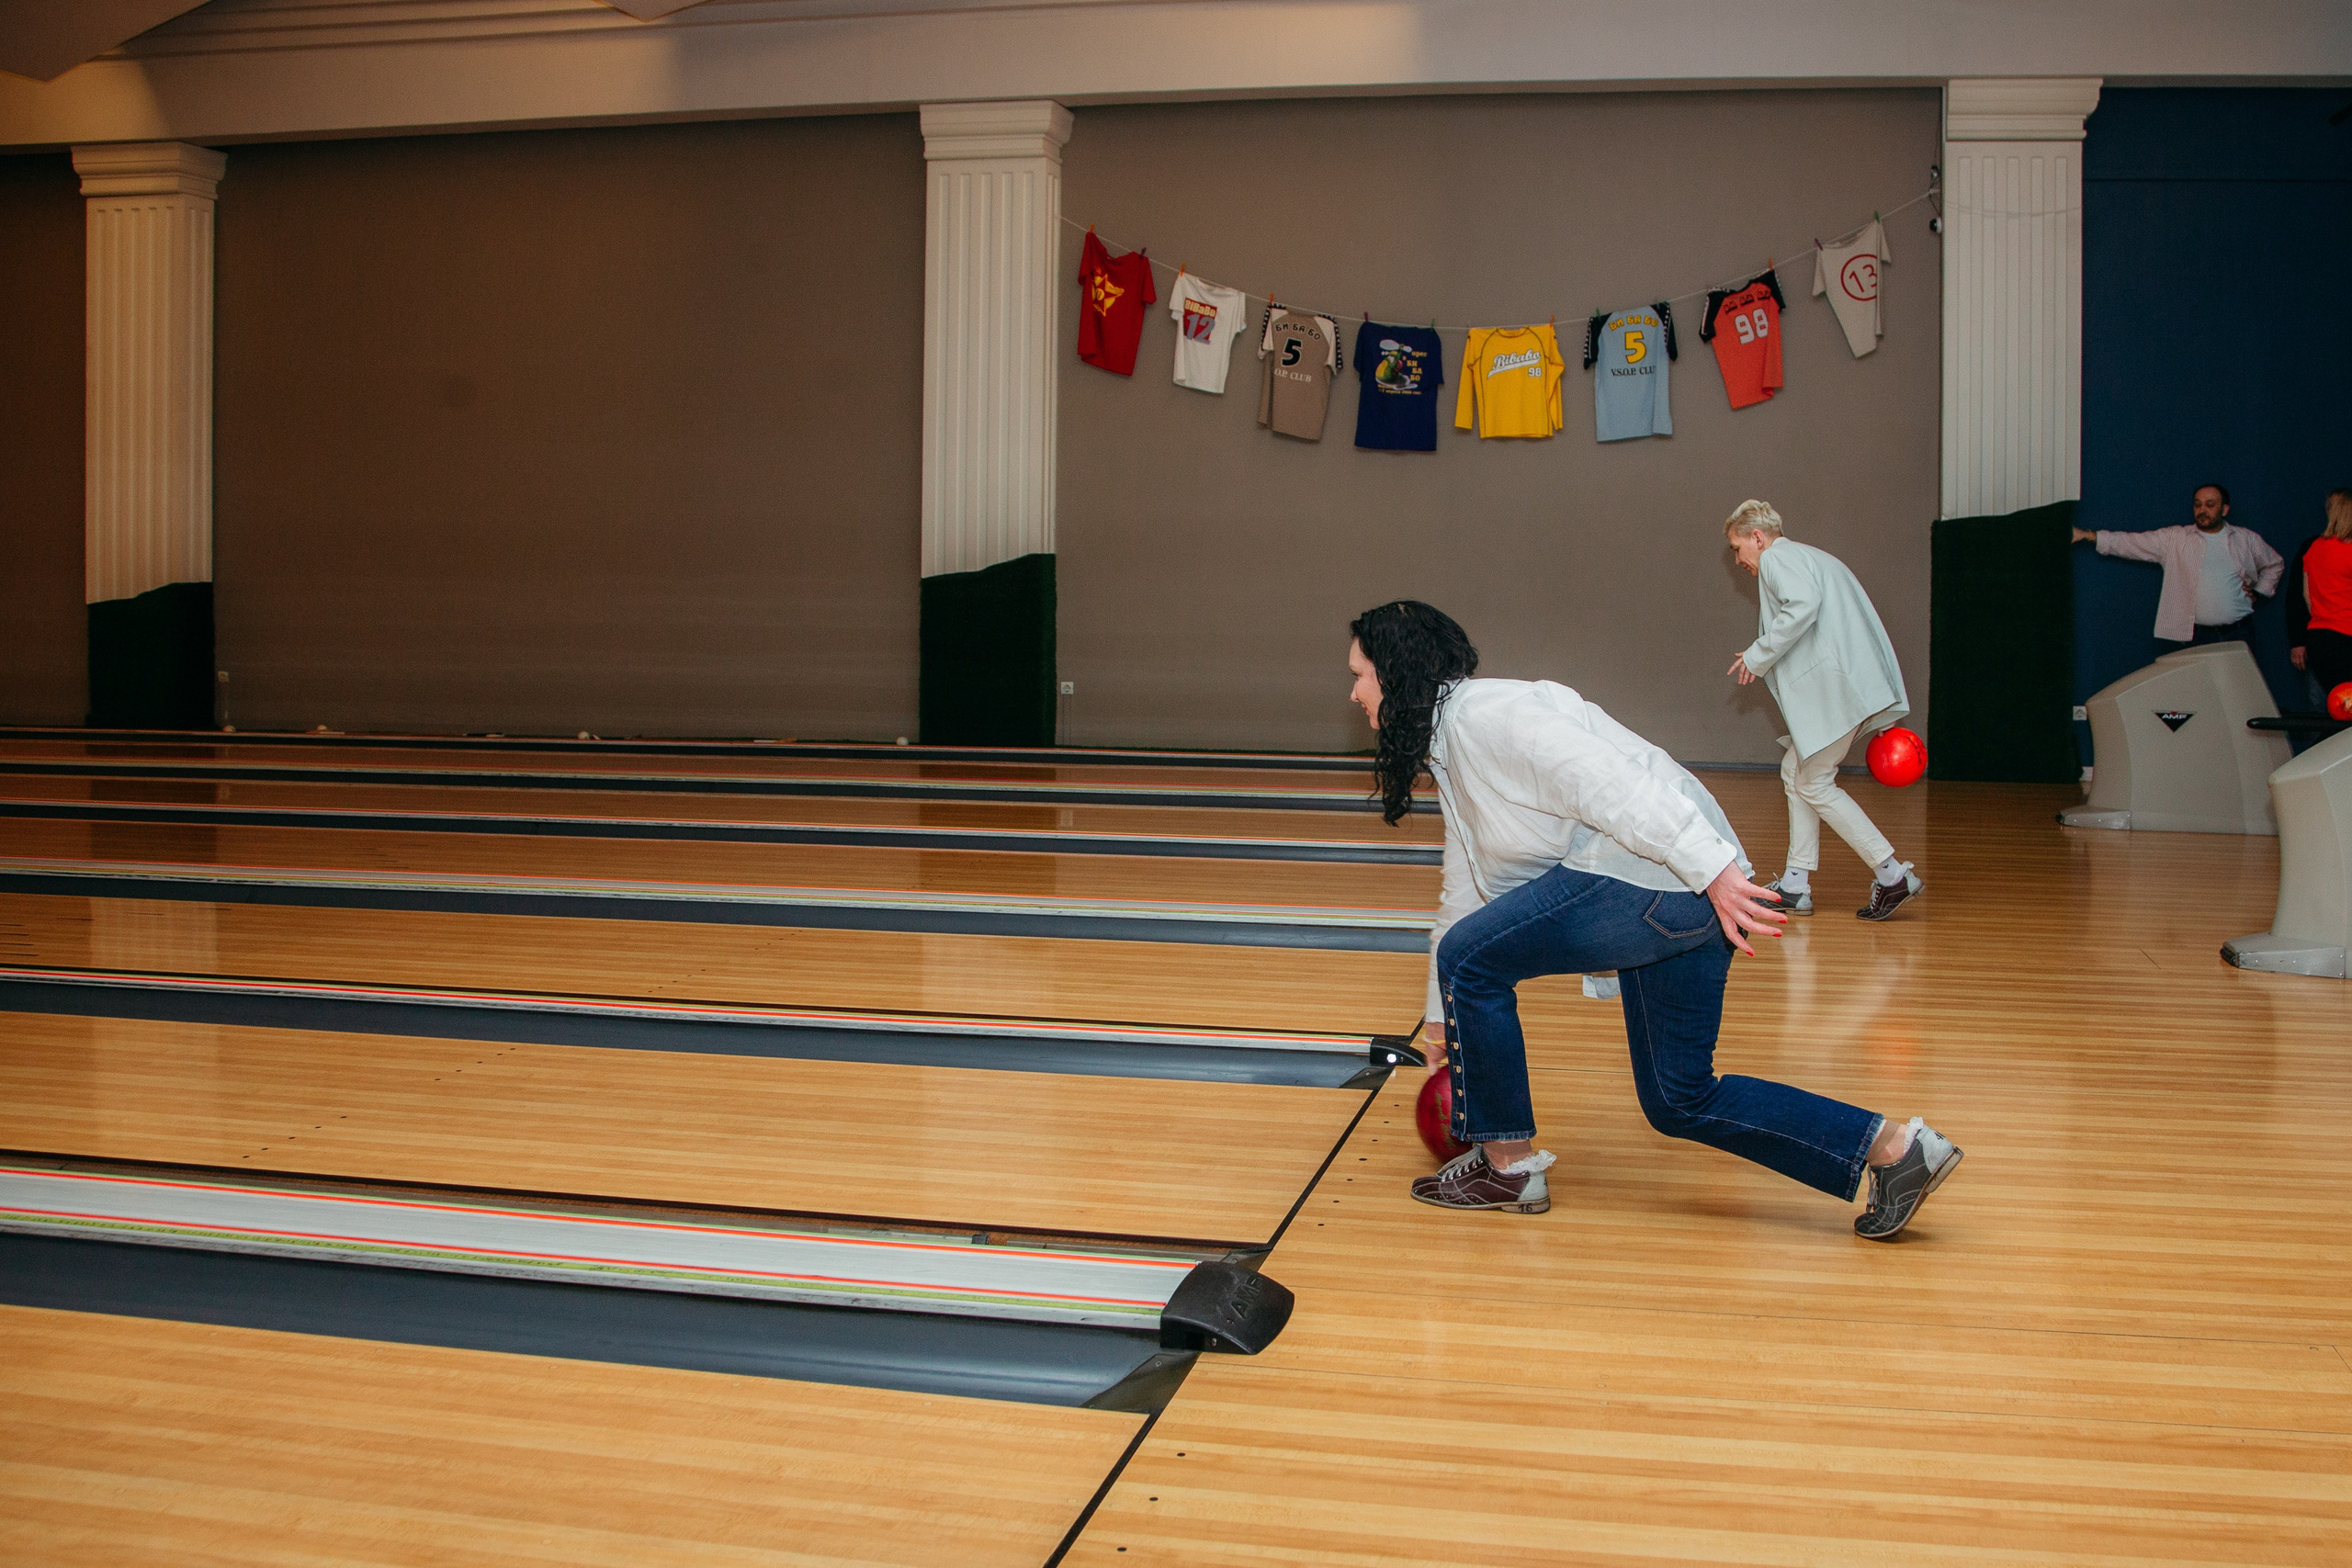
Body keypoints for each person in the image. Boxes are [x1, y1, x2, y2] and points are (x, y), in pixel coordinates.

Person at [1351, 600, 1962, 1239]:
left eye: (1361, 675)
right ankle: (1897, 1149)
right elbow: (1464, 895)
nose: (1355, 692)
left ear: (1396, 671)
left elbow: (1612, 782)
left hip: (1661, 879)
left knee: (1471, 958)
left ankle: (1508, 1168)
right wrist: (1442, 1015)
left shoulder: (1489, 715)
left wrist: (1713, 871)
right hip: (1675, 889)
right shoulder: (1454, 746)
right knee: (1679, 1098)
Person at [1722, 500, 1920, 920]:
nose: (1738, 560)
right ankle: (1795, 885)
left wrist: (1758, 653)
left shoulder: (1778, 558)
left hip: (1836, 695)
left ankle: (1892, 875)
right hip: (1846, 690)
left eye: (1738, 549)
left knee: (1814, 783)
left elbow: (1803, 605)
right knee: (1795, 771)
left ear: (1757, 538)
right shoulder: (1809, 556)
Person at [2070, 483, 2283, 649]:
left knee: (2239, 689)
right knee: (2196, 691)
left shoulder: (2245, 539)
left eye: (2210, 505)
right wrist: (2089, 536)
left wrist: (2259, 592)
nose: (2202, 510)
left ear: (2224, 509)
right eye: (2198, 504)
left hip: (2239, 633)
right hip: (2195, 637)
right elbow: (2131, 543)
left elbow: (2274, 564)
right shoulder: (2175, 538)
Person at [2290, 489, 2352, 697]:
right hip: (2347, 637)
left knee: (2337, 704)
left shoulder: (2314, 547)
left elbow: (2306, 596)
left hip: (2319, 637)